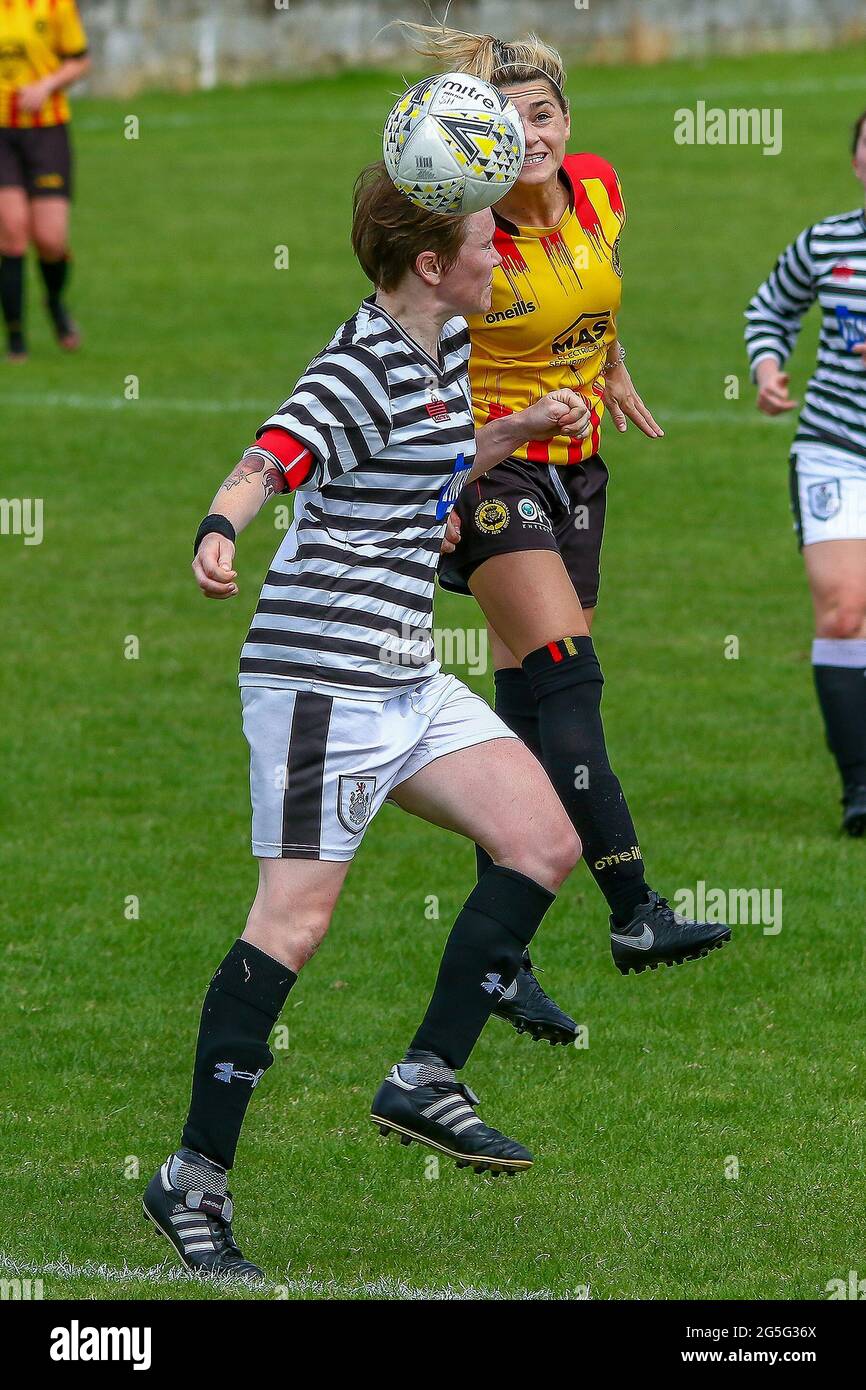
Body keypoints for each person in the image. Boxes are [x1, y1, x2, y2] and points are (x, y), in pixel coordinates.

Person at [143, 163, 593, 1280]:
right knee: (291, 923)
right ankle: (191, 1178)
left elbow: (425, 467)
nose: (506, 258)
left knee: (541, 841)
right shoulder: (358, 364)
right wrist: (219, 525)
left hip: (402, 674)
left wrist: (518, 426)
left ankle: (425, 1077)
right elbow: (274, 453)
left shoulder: (438, 347)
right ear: (432, 265)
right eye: (488, 245)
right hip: (318, 685)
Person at [396, 23, 730, 1037]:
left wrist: (611, 365)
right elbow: (407, 355)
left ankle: (503, 962)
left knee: (528, 709)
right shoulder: (464, 224)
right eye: (505, 120)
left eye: (540, 114)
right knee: (571, 677)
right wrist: (437, 483)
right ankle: (634, 910)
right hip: (495, 480)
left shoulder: (596, 188)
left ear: (566, 120)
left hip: (578, 474)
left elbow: (595, 290)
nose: (528, 134)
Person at [745, 110, 866, 836]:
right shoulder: (827, 242)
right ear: (856, 161)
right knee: (845, 610)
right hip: (835, 447)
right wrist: (767, 366)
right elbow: (771, 307)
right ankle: (860, 789)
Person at [0, 0, 88, 361]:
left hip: (47, 131)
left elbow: (80, 60)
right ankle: (16, 340)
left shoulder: (55, 5)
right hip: (2, 134)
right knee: (12, 230)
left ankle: (54, 302)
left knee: (51, 239)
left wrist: (46, 86)